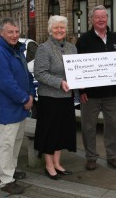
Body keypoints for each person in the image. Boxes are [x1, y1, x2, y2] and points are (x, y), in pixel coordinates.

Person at [0, 17, 36, 194]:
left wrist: (31, 94)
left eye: (17, 32)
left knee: (16, 142)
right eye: (10, 32)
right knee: (6, 144)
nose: (15, 35)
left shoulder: (17, 50)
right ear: (1, 33)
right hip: (9, 108)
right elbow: (6, 83)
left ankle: (11, 170)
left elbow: (27, 76)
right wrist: (25, 99)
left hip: (21, 106)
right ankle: (6, 180)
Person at [76, 5, 116, 170]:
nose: (101, 20)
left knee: (112, 126)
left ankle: (113, 156)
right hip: (91, 95)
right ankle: (91, 157)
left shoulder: (115, 39)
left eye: (104, 17)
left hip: (113, 93)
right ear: (92, 20)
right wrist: (81, 90)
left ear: (107, 19)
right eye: (97, 17)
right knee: (88, 127)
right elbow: (77, 68)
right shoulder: (83, 40)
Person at [33, 15, 77, 180]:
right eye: (56, 28)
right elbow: (40, 73)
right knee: (49, 132)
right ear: (50, 30)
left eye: (62, 27)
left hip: (66, 98)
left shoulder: (72, 48)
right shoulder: (44, 48)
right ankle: (49, 165)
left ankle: (57, 163)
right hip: (49, 98)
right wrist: (60, 82)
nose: (59, 30)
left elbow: (77, 71)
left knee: (61, 132)